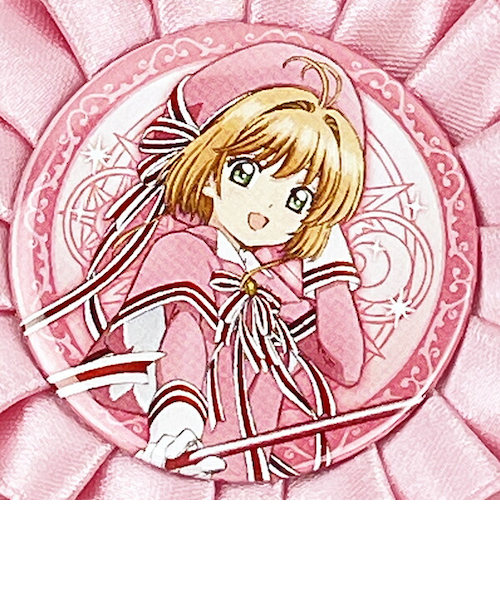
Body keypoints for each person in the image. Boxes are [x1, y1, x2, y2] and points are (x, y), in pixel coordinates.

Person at [26, 43, 367, 483]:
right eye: (246, 173)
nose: (266, 207)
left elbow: (345, 365)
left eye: (298, 198)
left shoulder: (271, 290)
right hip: (168, 460)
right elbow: (182, 334)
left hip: (252, 474)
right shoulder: (184, 251)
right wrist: (177, 424)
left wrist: (328, 256)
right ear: (207, 173)